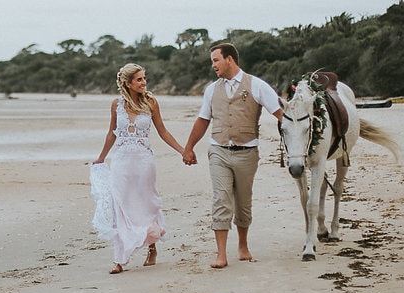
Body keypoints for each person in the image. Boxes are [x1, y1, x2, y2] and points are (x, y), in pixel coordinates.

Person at [182, 43, 283, 269]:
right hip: (218, 150)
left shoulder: (256, 85)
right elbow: (203, 119)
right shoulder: (211, 89)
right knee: (221, 199)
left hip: (247, 152)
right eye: (212, 62)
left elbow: (280, 114)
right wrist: (189, 146)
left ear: (230, 59)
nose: (213, 65)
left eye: (216, 60)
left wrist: (296, 137)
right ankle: (221, 254)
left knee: (243, 202)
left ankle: (243, 245)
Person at [92, 63, 190, 274]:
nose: (144, 83)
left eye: (144, 78)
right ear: (127, 84)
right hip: (121, 161)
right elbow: (112, 133)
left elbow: (163, 131)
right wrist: (101, 157)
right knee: (121, 206)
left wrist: (183, 150)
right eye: (139, 80)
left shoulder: (151, 103)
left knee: (147, 204)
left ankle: (152, 247)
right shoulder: (116, 105)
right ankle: (119, 259)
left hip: (144, 161)